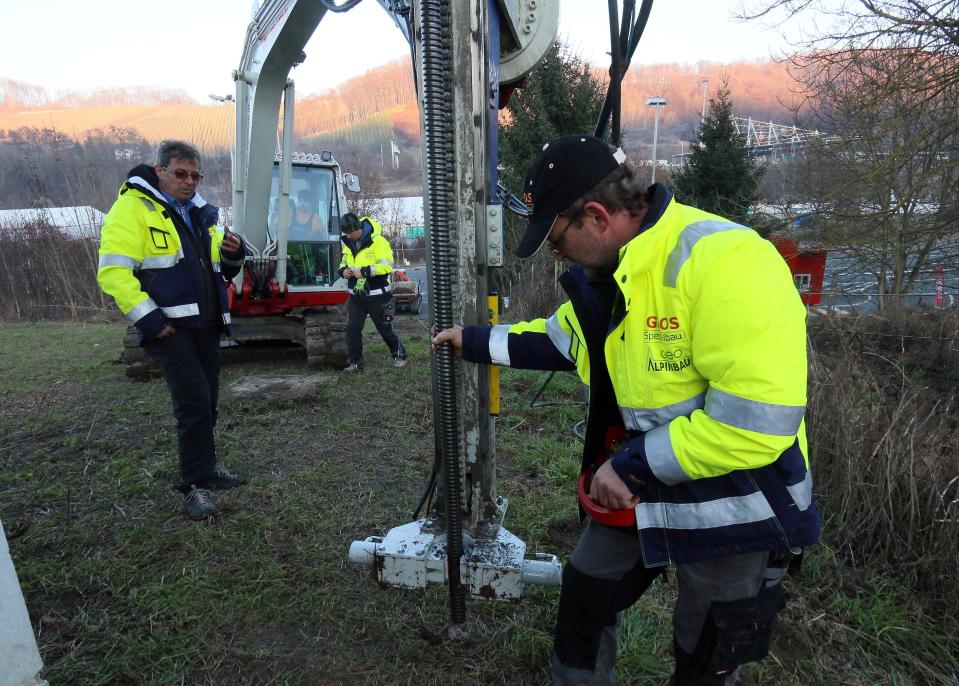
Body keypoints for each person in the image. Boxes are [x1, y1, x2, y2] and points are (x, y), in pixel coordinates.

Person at [432, 135, 819, 685]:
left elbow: (757, 423)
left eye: (556, 239)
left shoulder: (727, 259)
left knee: (705, 653)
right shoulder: (608, 278)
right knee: (585, 597)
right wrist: (468, 341)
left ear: (595, 216)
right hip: (642, 488)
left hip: (737, 508)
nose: (556, 254)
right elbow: (555, 342)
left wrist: (633, 466)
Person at [97, 139, 248, 521]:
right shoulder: (131, 209)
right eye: (181, 173)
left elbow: (216, 268)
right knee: (194, 404)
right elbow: (113, 272)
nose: (189, 181)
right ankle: (194, 485)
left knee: (208, 402)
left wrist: (232, 252)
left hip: (207, 326)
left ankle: (208, 467)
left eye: (196, 175)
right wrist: (150, 320)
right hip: (171, 331)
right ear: (159, 170)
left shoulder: (198, 212)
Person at [338, 212, 408, 371]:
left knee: (385, 327)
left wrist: (365, 271)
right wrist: (343, 271)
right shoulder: (348, 242)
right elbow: (343, 262)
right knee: (352, 329)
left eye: (350, 233)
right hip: (356, 295)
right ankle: (355, 363)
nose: (348, 236)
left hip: (378, 295)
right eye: (346, 234)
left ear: (358, 228)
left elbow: (387, 265)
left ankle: (399, 354)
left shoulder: (379, 241)